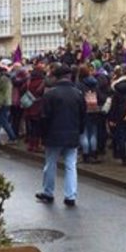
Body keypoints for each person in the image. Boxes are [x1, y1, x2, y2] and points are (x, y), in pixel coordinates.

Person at [36, 64, 86, 207]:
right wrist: (79, 131)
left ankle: (48, 192)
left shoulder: (50, 94)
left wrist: (42, 135)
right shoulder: (78, 94)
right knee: (71, 165)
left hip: (53, 134)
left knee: (50, 164)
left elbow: (44, 117)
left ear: (56, 77)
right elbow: (83, 116)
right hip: (72, 133)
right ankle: (70, 195)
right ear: (69, 77)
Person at [0, 69, 18, 143]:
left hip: (2, 103)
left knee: (3, 121)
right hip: (5, 103)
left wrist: (1, 102)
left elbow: (3, 93)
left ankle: (12, 137)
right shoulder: (8, 81)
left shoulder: (3, 80)